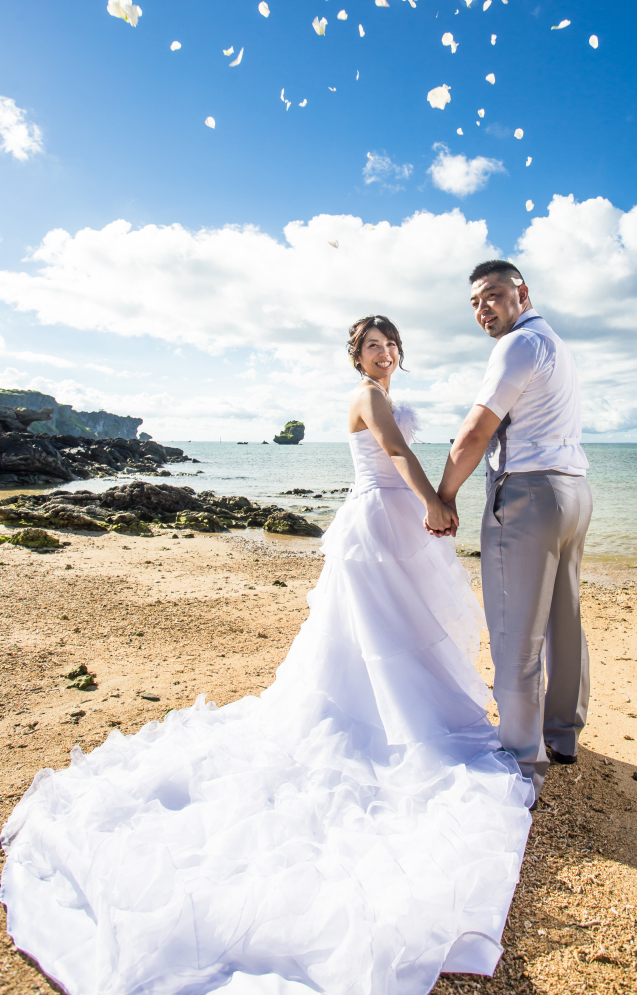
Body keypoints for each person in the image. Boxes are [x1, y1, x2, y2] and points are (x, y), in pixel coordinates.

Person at [1, 314, 533, 995]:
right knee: (370, 637)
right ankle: (384, 725)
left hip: (400, 522)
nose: (385, 352)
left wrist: (430, 502)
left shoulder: (388, 390)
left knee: (406, 634)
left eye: (392, 343)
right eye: (373, 346)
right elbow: (397, 454)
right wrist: (435, 498)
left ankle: (408, 715)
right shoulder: (369, 400)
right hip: (378, 521)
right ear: (357, 358)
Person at [434, 262, 592, 802]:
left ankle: (522, 760)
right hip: (573, 491)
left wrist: (443, 495)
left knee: (514, 633)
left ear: (522, 292)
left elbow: (475, 430)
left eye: (493, 295)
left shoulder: (518, 345)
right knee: (563, 620)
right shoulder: (556, 344)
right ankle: (562, 735)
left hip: (527, 497)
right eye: (476, 302)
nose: (484, 308)